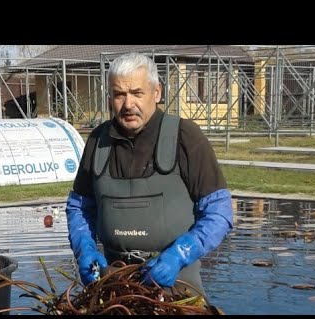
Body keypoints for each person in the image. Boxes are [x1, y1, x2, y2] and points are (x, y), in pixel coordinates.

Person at [66, 52, 233, 295]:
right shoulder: (97, 141)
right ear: (110, 97)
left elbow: (220, 212)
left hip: (176, 286)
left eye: (137, 93)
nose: (128, 104)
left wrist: (181, 253)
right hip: (114, 284)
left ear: (157, 92)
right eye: (119, 95)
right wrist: (85, 247)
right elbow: (79, 207)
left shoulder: (186, 137)